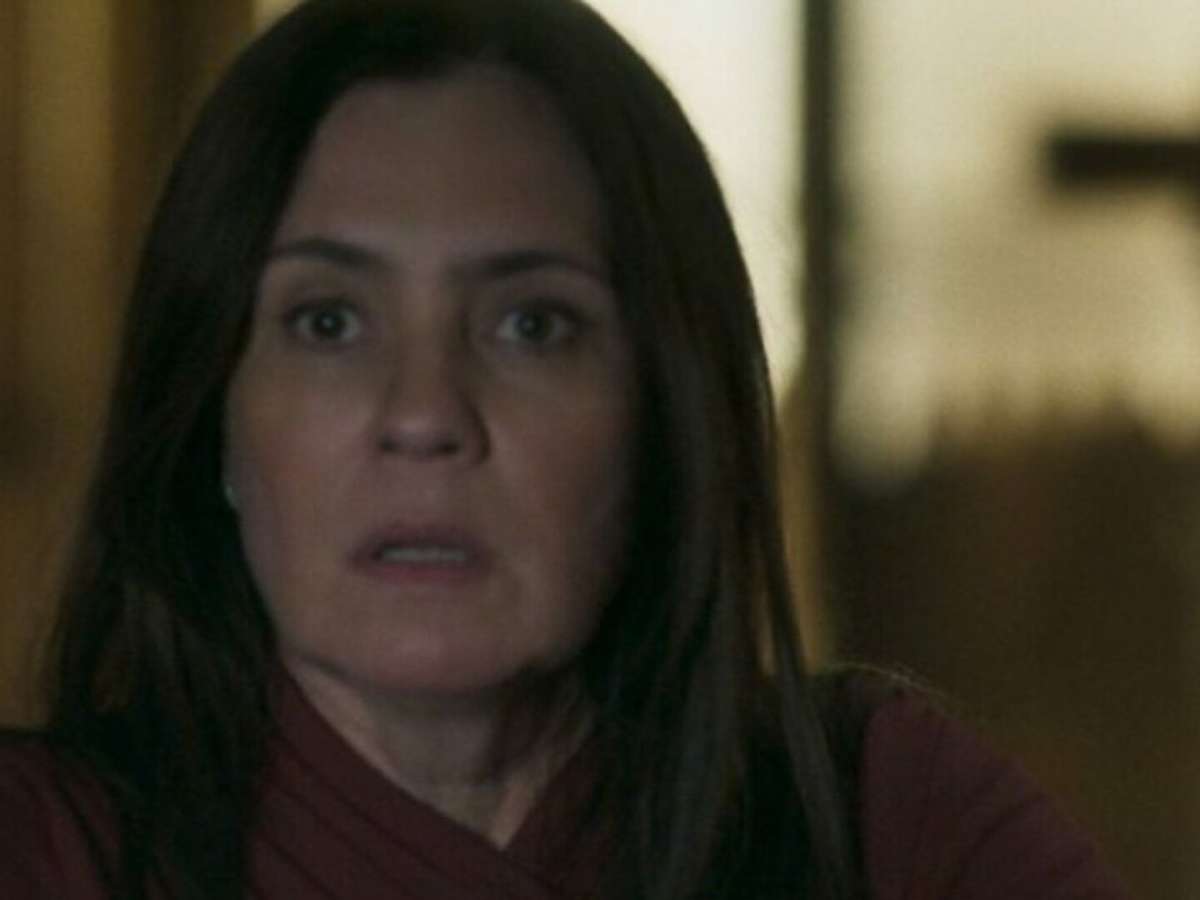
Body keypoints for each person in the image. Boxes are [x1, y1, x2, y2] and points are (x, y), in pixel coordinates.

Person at [0, 1, 1131, 898]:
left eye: (531, 325)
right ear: (213, 416)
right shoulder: (47, 853)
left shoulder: (882, 828)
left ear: (661, 414)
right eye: (329, 322)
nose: (424, 413)